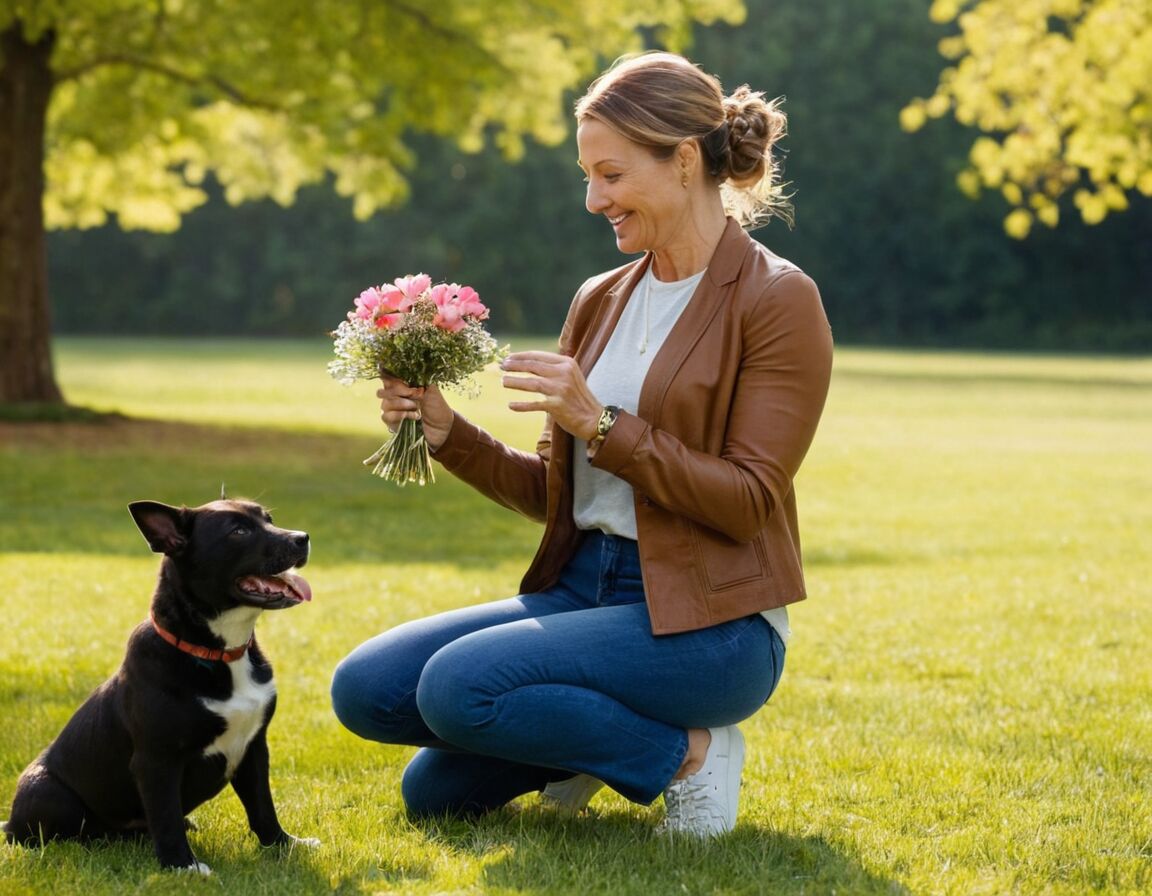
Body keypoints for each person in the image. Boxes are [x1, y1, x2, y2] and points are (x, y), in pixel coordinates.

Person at [330, 51, 833, 837]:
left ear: (685, 160)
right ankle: (591, 743)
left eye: (611, 175)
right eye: (587, 176)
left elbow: (747, 503)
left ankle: (690, 755)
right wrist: (449, 436)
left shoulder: (776, 298)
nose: (594, 199)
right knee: (373, 702)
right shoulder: (600, 299)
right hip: (583, 588)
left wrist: (603, 425)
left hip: (712, 623)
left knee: (460, 691)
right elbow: (554, 492)